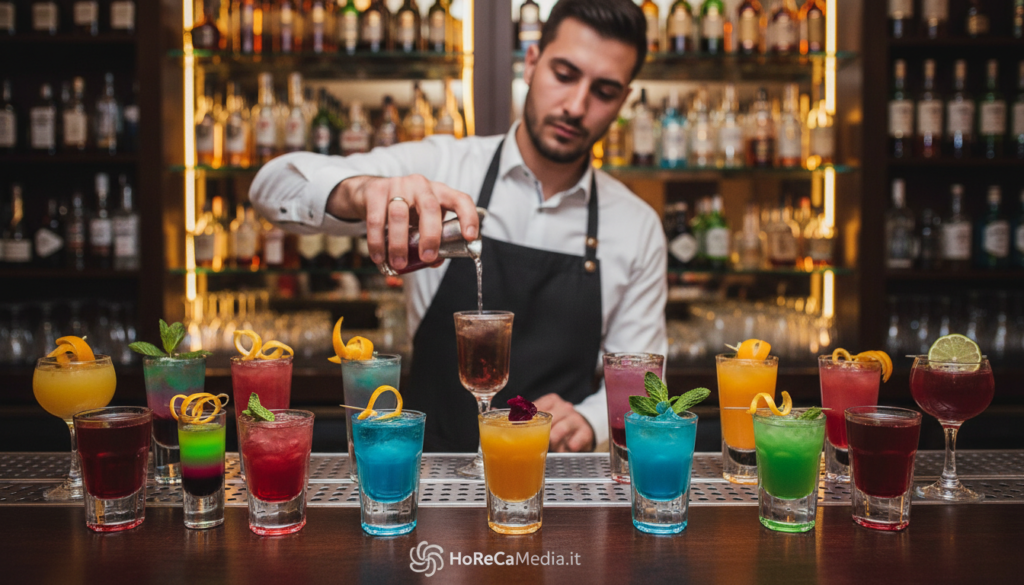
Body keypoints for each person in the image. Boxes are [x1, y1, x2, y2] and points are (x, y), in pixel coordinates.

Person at [249, 0, 666, 453]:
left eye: (604, 91)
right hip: (429, 478)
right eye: (564, 75)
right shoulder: (443, 164)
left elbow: (642, 385)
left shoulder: (635, 224)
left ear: (623, 102)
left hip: (554, 484)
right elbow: (272, 187)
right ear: (530, 63)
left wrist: (587, 421)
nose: (576, 105)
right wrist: (364, 191)